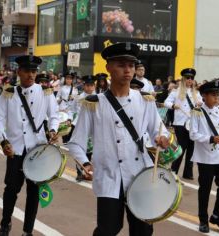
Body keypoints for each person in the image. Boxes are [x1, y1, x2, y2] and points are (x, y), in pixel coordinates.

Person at [67, 42, 170, 236]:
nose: (128, 70)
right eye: (121, 65)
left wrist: (162, 139)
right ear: (108, 68)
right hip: (108, 177)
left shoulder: (145, 100)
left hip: (140, 175)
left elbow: (160, 131)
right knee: (108, 229)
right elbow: (75, 142)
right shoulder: (93, 104)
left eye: (131, 66)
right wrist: (85, 163)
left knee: (142, 230)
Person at [0, 55, 59, 236]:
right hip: (15, 151)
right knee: (11, 190)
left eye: (34, 71)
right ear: (19, 72)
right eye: (27, 71)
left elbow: (54, 115)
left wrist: (52, 130)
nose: (31, 75)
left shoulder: (45, 92)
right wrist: (3, 141)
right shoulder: (8, 93)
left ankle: (27, 231)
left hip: (37, 152)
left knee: (33, 193)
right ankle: (5, 224)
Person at [189, 79, 219, 233]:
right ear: (204, 96)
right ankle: (203, 220)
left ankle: (216, 215)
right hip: (205, 158)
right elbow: (193, 134)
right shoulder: (197, 112)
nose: (216, 98)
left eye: (217, 95)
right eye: (213, 95)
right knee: (205, 189)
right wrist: (210, 139)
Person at [164, 68, 202, 180]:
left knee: (191, 149)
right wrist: (173, 106)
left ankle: (188, 172)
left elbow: (202, 104)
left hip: (193, 123)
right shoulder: (176, 92)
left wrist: (200, 103)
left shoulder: (197, 93)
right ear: (183, 79)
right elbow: (166, 102)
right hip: (180, 123)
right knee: (181, 148)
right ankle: (174, 170)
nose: (190, 80)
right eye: (188, 78)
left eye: (192, 78)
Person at [69, 75, 96, 181]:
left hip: (92, 128)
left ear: (94, 86)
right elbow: (73, 110)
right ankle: (79, 172)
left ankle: (88, 170)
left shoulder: (98, 98)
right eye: (87, 86)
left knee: (89, 151)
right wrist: (70, 120)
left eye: (91, 86)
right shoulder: (79, 98)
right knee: (79, 149)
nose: (89, 88)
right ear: (84, 86)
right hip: (79, 125)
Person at [56, 71, 78, 143]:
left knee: (68, 124)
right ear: (65, 79)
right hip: (62, 106)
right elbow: (57, 97)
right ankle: (60, 140)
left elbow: (76, 101)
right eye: (67, 78)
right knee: (61, 124)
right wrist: (59, 100)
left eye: (70, 79)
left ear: (72, 80)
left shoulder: (75, 89)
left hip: (70, 108)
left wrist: (73, 97)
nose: (69, 80)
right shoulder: (61, 88)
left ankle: (66, 140)